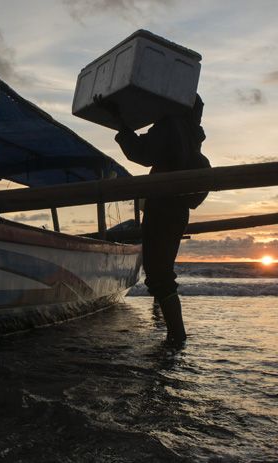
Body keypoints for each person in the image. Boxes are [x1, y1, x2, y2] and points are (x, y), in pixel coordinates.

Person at [95, 94, 210, 345]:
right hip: (178, 211)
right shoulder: (192, 134)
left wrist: (119, 121)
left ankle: (177, 337)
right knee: (161, 274)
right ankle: (175, 336)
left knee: (159, 275)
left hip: (162, 208)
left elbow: (142, 153)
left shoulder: (172, 125)